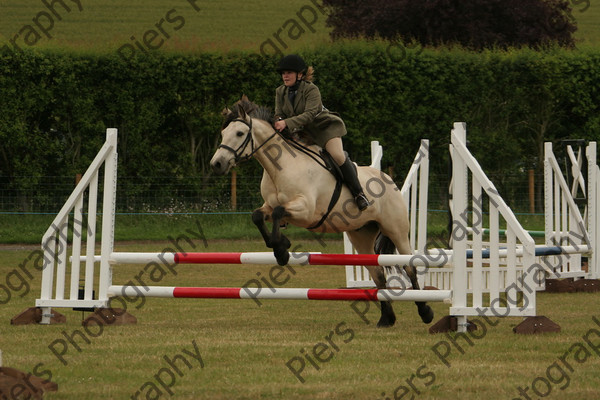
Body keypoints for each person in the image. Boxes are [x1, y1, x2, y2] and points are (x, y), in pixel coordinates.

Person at [273, 54, 370, 211]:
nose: (285, 76)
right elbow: (279, 112)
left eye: (289, 72)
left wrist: (286, 123)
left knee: (337, 156)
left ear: (300, 75)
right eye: (283, 73)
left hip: (325, 128)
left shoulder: (311, 90)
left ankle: (359, 193)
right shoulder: (280, 91)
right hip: (304, 133)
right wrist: (277, 119)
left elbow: (309, 114)